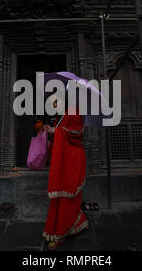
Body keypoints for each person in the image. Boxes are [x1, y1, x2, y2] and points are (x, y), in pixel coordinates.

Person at [42, 94, 89, 250]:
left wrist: (57, 131)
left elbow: (78, 132)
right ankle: (74, 224)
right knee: (59, 197)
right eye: (52, 104)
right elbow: (58, 134)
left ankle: (62, 233)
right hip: (62, 161)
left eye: (56, 102)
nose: (54, 106)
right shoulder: (59, 118)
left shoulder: (73, 111)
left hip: (72, 160)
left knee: (68, 196)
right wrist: (51, 130)